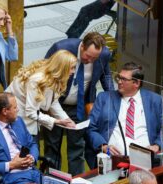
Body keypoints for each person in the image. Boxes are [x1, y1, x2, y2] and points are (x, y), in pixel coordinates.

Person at [43, 32, 114, 176]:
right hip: (55, 104)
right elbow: (44, 73)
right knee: (52, 146)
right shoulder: (61, 48)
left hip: (80, 106)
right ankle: (53, 182)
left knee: (77, 147)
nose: (91, 60)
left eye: (95, 58)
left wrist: (112, 98)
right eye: (88, 56)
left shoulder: (104, 54)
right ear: (82, 46)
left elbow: (106, 75)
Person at [85, 62, 163, 169]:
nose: (119, 82)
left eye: (124, 79)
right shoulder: (104, 98)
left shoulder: (154, 100)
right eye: (118, 78)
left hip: (145, 161)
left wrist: (157, 146)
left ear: (136, 83)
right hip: (113, 160)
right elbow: (90, 128)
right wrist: (104, 146)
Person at [6, 50, 77, 141]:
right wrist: (56, 121)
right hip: (16, 118)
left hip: (28, 119)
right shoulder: (37, 79)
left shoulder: (52, 76)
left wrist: (66, 119)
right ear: (62, 68)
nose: (73, 71)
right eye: (72, 68)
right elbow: (31, 112)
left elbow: (52, 101)